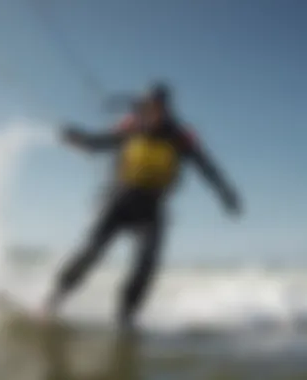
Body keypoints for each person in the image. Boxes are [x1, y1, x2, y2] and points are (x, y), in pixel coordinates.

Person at [45, 82, 242, 328]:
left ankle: (125, 316)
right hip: (119, 200)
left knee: (147, 263)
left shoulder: (180, 138)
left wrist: (226, 194)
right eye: (147, 107)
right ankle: (52, 301)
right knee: (92, 251)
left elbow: (207, 168)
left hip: (152, 208)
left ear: (167, 110)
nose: (152, 113)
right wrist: (75, 137)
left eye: (158, 108)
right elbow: (97, 144)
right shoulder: (130, 129)